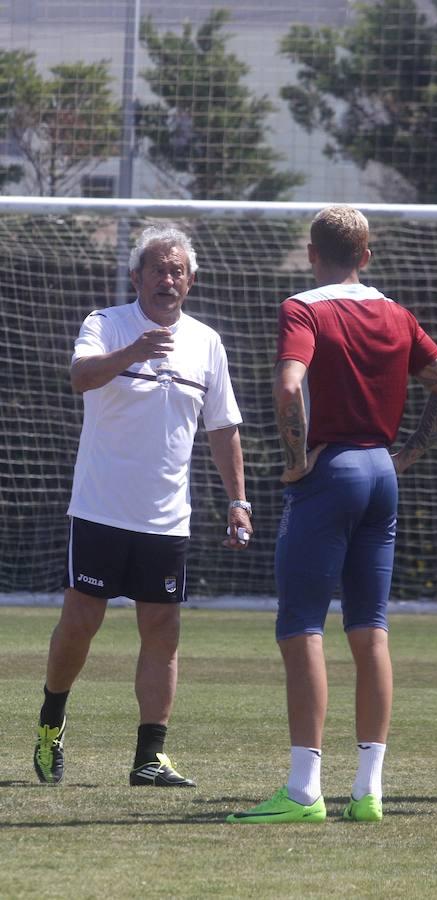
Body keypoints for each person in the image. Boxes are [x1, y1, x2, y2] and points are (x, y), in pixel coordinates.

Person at [227, 205, 437, 824]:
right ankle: (368, 792)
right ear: (367, 254)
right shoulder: (397, 313)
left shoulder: (303, 308)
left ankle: (305, 790)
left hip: (329, 471)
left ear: (312, 253)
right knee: (370, 629)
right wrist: (405, 455)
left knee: (302, 625)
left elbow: (288, 386)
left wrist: (293, 460)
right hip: (380, 475)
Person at [33, 225, 253, 787]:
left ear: (191, 281)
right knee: (81, 622)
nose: (167, 278)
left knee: (162, 628)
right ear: (136, 278)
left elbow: (223, 427)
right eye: (157, 268)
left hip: (166, 517)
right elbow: (80, 377)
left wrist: (238, 501)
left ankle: (149, 758)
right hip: (101, 508)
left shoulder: (207, 341)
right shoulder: (106, 324)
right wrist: (132, 352)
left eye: (177, 269)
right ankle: (51, 722)